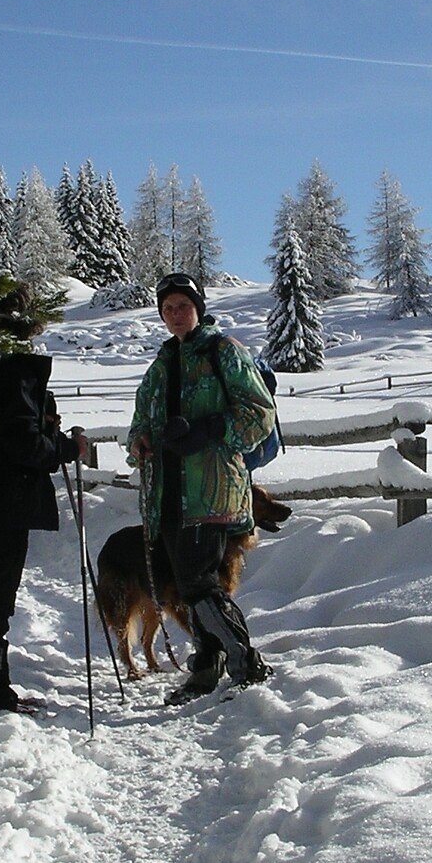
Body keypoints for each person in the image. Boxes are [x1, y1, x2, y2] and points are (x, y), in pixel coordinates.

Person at [127, 272, 278, 705]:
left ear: (199, 309)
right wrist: (140, 442)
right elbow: (139, 423)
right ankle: (207, 667)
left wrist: (209, 429)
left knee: (197, 582)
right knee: (188, 581)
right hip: (167, 495)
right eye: (168, 308)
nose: (176, 315)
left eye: (183, 306)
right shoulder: (160, 366)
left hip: (212, 490)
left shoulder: (224, 352)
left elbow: (259, 414)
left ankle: (245, 663)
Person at [0, 287, 89, 713]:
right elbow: (23, 443)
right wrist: (65, 447)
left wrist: (42, 421)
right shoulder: (13, 368)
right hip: (1, 502)